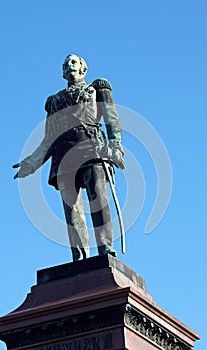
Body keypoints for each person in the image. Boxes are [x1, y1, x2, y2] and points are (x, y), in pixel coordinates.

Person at [13, 54, 125, 261]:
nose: (69, 66)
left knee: (98, 199)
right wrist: (31, 163)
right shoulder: (54, 101)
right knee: (72, 211)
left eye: (74, 62)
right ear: (62, 71)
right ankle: (79, 257)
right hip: (63, 154)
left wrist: (116, 147)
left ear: (83, 68)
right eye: (65, 64)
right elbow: (49, 137)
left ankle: (106, 248)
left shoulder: (96, 88)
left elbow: (112, 120)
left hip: (92, 147)